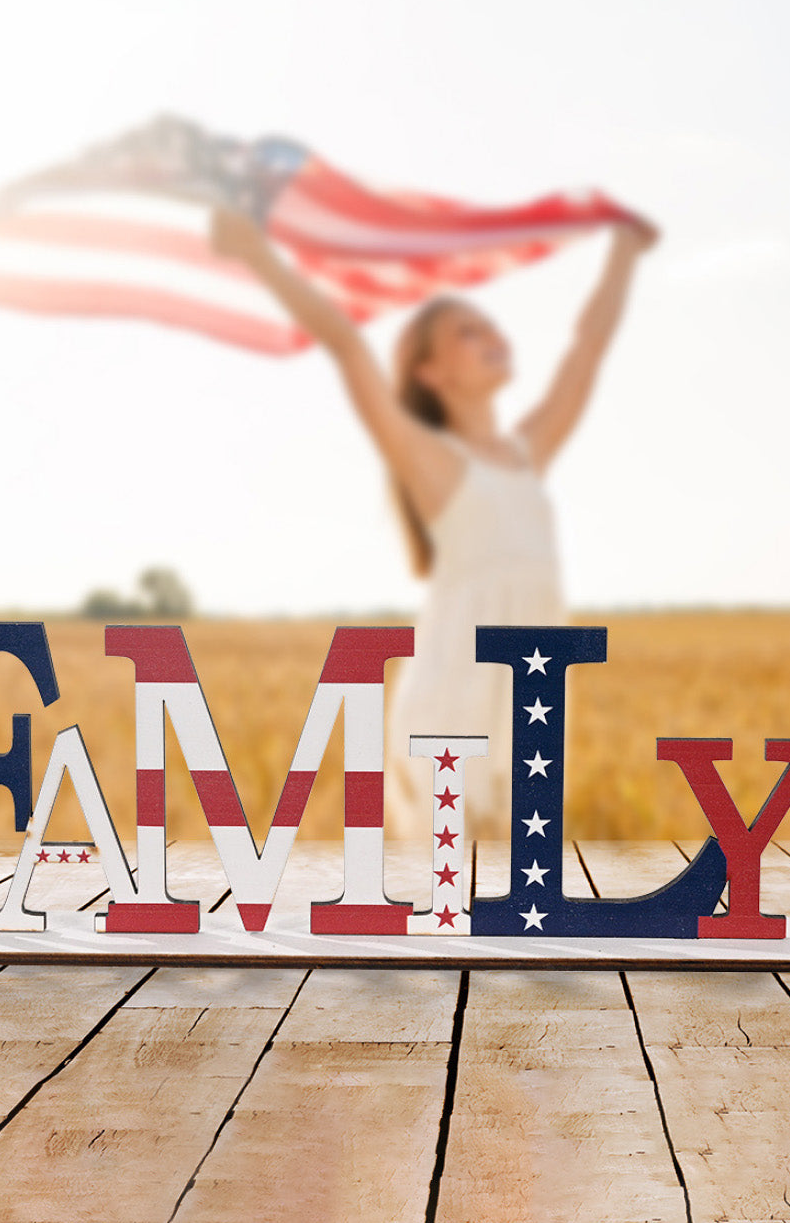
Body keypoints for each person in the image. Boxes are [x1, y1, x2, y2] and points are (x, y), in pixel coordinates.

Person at [211, 206, 659, 841]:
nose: (490, 334)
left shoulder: (528, 451)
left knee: (511, 902)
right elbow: (345, 342)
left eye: (489, 324)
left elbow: (587, 351)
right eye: (466, 333)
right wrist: (258, 257)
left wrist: (623, 251)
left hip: (525, 704)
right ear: (432, 372)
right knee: (452, 905)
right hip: (454, 702)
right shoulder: (434, 463)